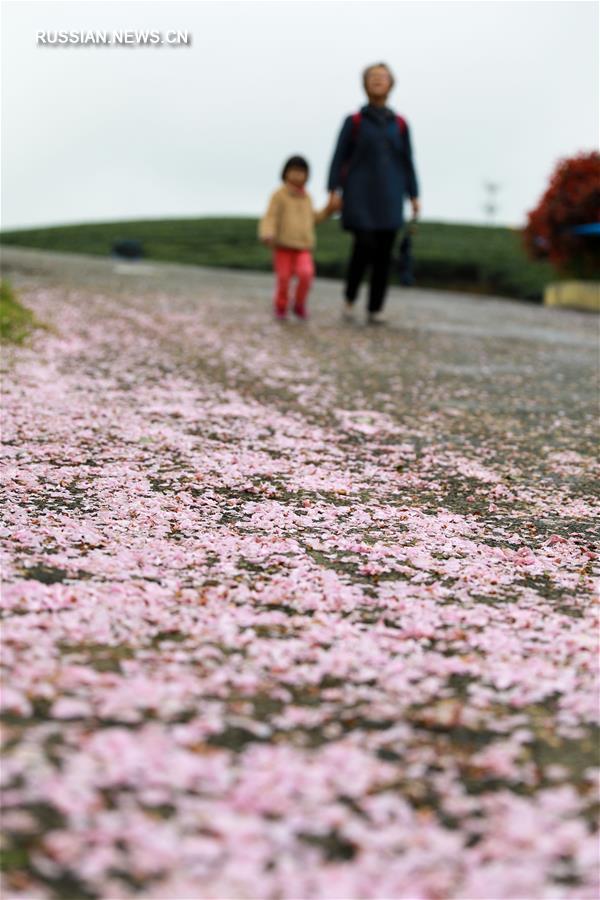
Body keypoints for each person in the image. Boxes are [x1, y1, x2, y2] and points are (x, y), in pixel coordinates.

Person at [327, 63, 421, 325]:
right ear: (365, 84)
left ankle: (375, 308)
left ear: (391, 84)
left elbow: (408, 160)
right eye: (372, 77)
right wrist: (333, 190)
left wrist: (414, 194)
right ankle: (350, 297)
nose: (378, 81)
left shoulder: (400, 124)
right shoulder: (354, 121)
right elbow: (339, 156)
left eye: (383, 77)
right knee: (363, 246)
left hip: (391, 196)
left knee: (384, 254)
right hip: (358, 195)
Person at [259, 156, 334, 321]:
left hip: (303, 247)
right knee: (283, 278)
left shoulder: (307, 197)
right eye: (293, 171)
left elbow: (314, 218)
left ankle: (299, 303)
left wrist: (329, 210)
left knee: (306, 274)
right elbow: (270, 216)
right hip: (283, 246)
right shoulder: (279, 195)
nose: (297, 175)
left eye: (301, 172)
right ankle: (281, 306)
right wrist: (267, 232)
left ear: (307, 176)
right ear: (285, 173)